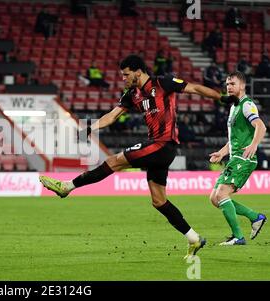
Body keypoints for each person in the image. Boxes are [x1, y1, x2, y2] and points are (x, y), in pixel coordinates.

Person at [39, 54, 238, 258]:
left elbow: (195, 88)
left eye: (126, 75)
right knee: (159, 201)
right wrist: (91, 127)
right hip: (157, 149)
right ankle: (194, 239)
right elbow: (112, 116)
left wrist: (221, 97)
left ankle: (66, 187)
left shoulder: (163, 82)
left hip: (162, 144)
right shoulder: (131, 94)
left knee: (113, 162)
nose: (123, 78)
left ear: (138, 71)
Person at [208, 71, 267, 245]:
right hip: (234, 156)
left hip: (244, 158)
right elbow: (235, 138)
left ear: (242, 86)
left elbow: (261, 127)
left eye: (232, 84)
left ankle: (238, 237)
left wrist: (254, 144)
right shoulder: (234, 107)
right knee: (214, 198)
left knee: (222, 193)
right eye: (227, 84)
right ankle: (255, 217)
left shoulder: (247, 105)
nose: (229, 87)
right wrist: (222, 152)